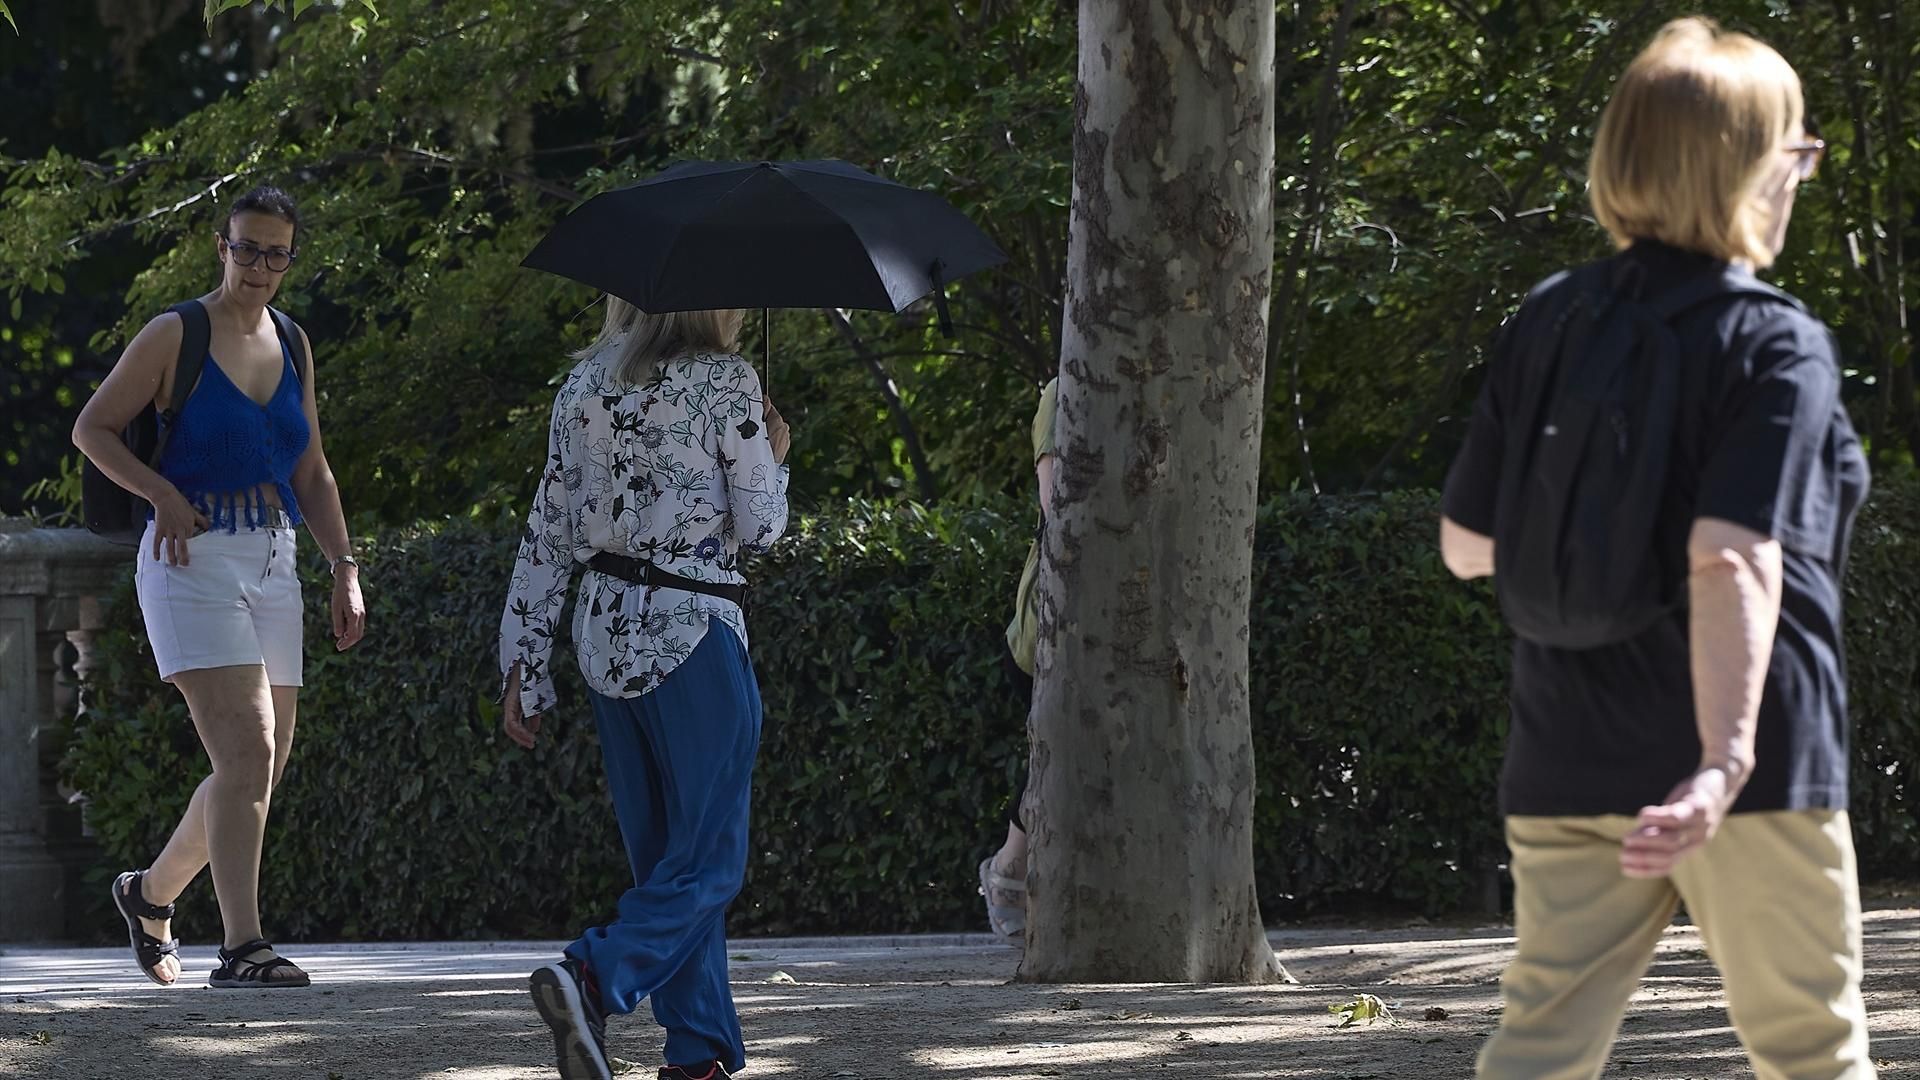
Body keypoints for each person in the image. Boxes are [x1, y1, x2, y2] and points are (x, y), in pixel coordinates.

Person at [1440, 17, 1875, 1079]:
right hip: (1747, 772)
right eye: (1797, 148)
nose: (1803, 171)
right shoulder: (1774, 341)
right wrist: (1721, 765)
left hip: (1567, 747)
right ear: (1743, 165)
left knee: (1541, 1049)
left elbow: (1465, 544)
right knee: (1811, 1052)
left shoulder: (1549, 319)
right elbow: (1730, 556)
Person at [72, 184, 367, 989]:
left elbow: (311, 468)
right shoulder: (177, 333)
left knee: (257, 772)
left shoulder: (295, 341)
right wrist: (160, 492)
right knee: (247, 754)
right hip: (189, 561)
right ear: (221, 246)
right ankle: (243, 948)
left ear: (290, 259)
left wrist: (344, 568)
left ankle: (150, 893)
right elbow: (91, 428)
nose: (260, 266)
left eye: (277, 253)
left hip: (276, 562)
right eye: (247, 248)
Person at [498, 298, 790, 1080]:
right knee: (710, 862)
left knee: (666, 860)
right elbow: (762, 528)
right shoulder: (728, 383)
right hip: (693, 629)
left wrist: (522, 659)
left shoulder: (581, 382)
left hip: (603, 634)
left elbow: (547, 528)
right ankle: (593, 975)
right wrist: (778, 451)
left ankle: (696, 1057)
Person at [977, 375, 1057, 945]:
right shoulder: (1063, 391)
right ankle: (1009, 867)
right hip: (1056, 616)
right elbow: (1057, 505)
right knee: (1059, 756)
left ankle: (1014, 869)